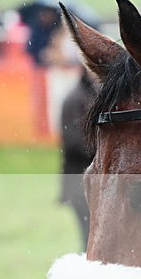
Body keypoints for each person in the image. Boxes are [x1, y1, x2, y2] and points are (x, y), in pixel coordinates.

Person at [59, 70, 96, 249]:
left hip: (91, 181)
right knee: (89, 237)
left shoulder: (93, 95)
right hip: (78, 181)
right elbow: (74, 142)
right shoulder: (74, 99)